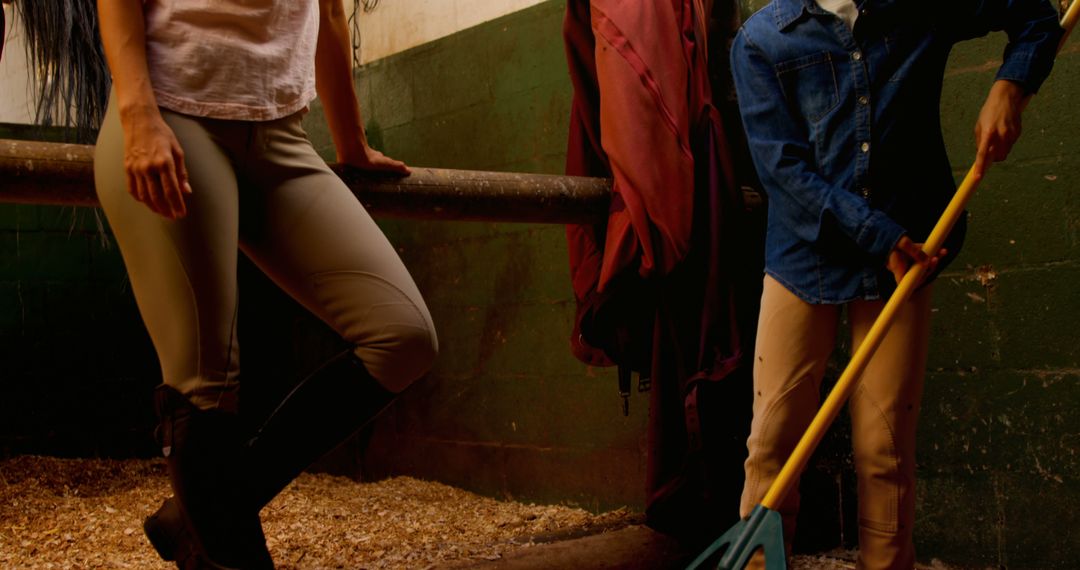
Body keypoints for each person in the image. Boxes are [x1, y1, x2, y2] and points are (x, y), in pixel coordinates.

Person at [93, 0, 439, 567]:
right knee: (206, 386)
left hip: (280, 137)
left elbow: (329, 13)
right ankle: (217, 534)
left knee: (405, 336)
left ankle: (197, 516)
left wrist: (350, 142)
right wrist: (138, 116)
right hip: (175, 114)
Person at [729, 0, 1062, 567]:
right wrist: (871, 232)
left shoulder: (918, 7)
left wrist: (1011, 86)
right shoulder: (761, 40)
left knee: (885, 451)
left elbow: (1036, 14)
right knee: (773, 446)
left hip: (901, 260)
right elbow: (782, 171)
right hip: (804, 258)